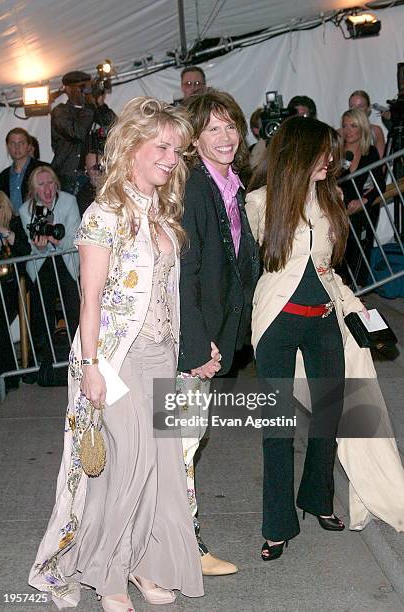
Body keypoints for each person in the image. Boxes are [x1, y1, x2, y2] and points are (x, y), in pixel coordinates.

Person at [28, 97, 203, 611]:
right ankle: (107, 578)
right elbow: (90, 298)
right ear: (132, 147)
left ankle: (148, 567)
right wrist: (90, 368)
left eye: (177, 150)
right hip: (117, 359)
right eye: (163, 146)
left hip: (161, 358)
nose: (171, 158)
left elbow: (172, 292)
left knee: (164, 467)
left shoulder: (163, 213)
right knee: (129, 467)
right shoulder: (104, 213)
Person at [246, 116, 370, 561]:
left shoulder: (332, 197)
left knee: (331, 414)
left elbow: (331, 269)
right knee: (277, 428)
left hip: (322, 321)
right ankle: (277, 525)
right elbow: (252, 269)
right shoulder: (259, 202)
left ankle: (317, 498)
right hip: (277, 324)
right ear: (299, 154)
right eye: (323, 152)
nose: (331, 160)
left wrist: (357, 312)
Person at [178, 89, 259, 575]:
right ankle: (186, 546)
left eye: (230, 125)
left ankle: (173, 543)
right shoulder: (193, 186)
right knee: (183, 443)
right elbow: (185, 271)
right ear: (194, 138)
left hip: (215, 338)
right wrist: (195, 344)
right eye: (212, 128)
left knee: (187, 440)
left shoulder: (234, 185)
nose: (225, 136)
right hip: (193, 344)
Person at [19, 166, 81, 362]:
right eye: (41, 185)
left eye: (50, 183)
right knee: (40, 306)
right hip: (41, 263)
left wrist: (55, 239)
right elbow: (34, 244)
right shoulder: (26, 209)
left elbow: (75, 238)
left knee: (74, 303)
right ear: (33, 189)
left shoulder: (69, 201)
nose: (47, 190)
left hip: (68, 260)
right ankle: (42, 358)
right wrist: (43, 247)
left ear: (57, 184)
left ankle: (81, 353)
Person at [340, 108, 385, 286]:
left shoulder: (370, 152)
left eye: (353, 126)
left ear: (362, 128)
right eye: (345, 126)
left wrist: (364, 201)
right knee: (340, 251)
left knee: (360, 248)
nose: (348, 130)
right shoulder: (337, 152)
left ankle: (358, 289)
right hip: (340, 210)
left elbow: (379, 183)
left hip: (363, 210)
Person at [51, 70, 116, 195]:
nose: (86, 91)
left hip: (94, 174)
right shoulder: (60, 112)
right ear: (68, 89)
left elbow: (114, 127)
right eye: (82, 87)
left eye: (88, 87)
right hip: (69, 177)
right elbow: (78, 133)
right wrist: (91, 105)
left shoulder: (93, 109)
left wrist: (101, 105)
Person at [0, 190, 30, 392]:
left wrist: (3, 232)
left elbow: (25, 252)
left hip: (11, 287)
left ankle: (9, 376)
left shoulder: (15, 225)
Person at [0, 128, 48, 213]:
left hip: (38, 223)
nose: (17, 147)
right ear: (7, 146)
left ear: (28, 146)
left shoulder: (43, 169)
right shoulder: (3, 176)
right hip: (12, 225)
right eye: (13, 143)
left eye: (21, 143)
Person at [348, 90, 385, 159]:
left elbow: (380, 161)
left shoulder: (375, 131)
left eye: (360, 106)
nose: (355, 110)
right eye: (352, 106)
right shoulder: (340, 133)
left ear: (368, 109)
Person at [76, 151, 103, 216]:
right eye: (93, 168)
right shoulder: (82, 196)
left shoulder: (114, 190)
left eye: (100, 168)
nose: (97, 172)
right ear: (86, 169)